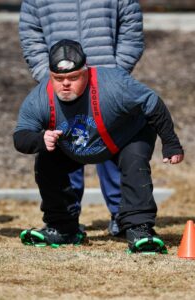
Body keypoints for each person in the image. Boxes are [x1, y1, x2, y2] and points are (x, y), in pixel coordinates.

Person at [13, 40, 184, 253]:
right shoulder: (39, 98)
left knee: (135, 163)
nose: (65, 84)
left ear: (86, 72)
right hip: (76, 145)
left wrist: (171, 143)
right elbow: (20, 136)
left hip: (125, 136)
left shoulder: (113, 83)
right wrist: (40, 139)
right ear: (50, 75)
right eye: (59, 78)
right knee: (46, 161)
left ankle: (140, 229)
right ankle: (63, 228)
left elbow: (152, 104)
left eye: (73, 77)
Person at [18, 0, 145, 235]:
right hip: (62, 88)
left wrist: (114, 75)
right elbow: (30, 32)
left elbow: (131, 27)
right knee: (63, 147)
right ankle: (65, 220)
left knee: (113, 148)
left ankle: (123, 216)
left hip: (106, 86)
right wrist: (50, 77)